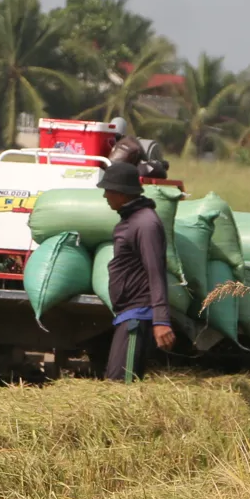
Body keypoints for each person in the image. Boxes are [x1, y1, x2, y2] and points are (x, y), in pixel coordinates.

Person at [98, 159, 175, 382]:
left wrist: (161, 320)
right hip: (128, 314)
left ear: (122, 193)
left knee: (121, 386)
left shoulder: (145, 224)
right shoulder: (133, 219)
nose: (105, 196)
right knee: (117, 382)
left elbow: (156, 271)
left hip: (138, 315)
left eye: (108, 191)